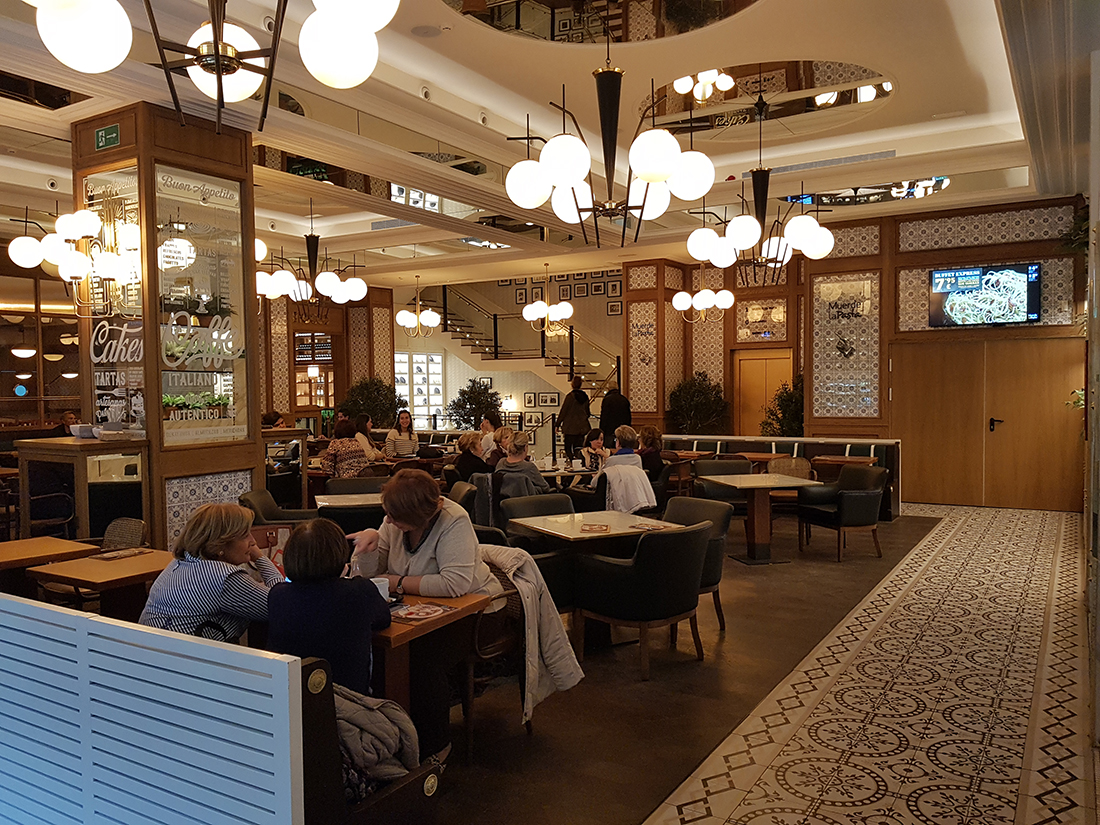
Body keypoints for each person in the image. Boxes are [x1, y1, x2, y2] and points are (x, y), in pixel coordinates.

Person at [347, 469, 503, 757]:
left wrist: (396, 581)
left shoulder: (453, 521)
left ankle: (434, 749)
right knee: (376, 650)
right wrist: (369, 547)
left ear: (417, 515)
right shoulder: (393, 519)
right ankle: (391, 741)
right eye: (387, 515)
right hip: (419, 611)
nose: (388, 521)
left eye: (393, 517)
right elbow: (370, 574)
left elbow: (454, 584)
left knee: (422, 658)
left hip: (479, 612)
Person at [267, 518, 391, 696]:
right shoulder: (358, 590)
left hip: (289, 700)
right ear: (339, 555)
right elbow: (383, 618)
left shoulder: (278, 595)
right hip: (349, 703)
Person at [139, 503, 282, 642]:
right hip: (187, 662)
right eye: (245, 535)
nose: (253, 541)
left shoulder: (179, 563)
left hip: (153, 655)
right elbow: (284, 603)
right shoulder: (225, 577)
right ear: (219, 544)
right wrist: (259, 557)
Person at [494, 431, 551, 495]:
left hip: (504, 502)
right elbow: (545, 488)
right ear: (525, 448)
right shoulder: (529, 467)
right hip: (526, 503)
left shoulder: (501, 463)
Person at [557, 376, 591, 461]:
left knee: (568, 448)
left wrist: (557, 424)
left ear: (572, 384)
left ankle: (572, 462)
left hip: (570, 427)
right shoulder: (585, 397)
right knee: (579, 448)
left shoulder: (570, 396)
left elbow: (563, 411)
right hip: (582, 427)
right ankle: (578, 462)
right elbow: (588, 413)